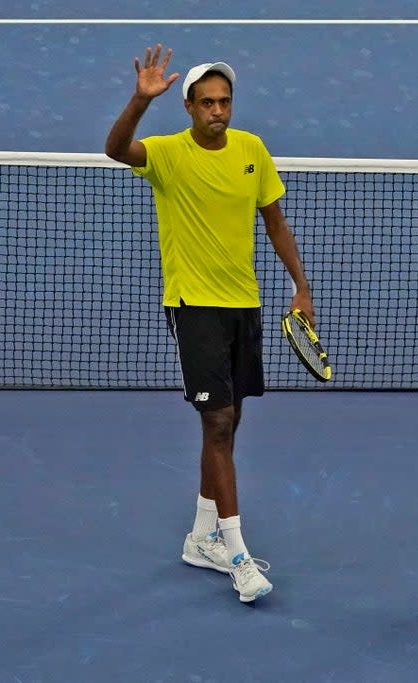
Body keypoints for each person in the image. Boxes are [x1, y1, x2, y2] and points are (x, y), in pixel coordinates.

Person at [105, 44, 315, 603]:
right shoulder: (167, 154)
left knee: (228, 423)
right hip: (193, 304)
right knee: (219, 422)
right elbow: (115, 149)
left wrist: (301, 284)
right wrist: (138, 100)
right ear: (189, 108)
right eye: (206, 103)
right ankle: (238, 554)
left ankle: (202, 536)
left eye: (225, 101)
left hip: (244, 304)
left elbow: (274, 222)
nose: (218, 111)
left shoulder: (252, 150)